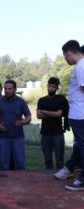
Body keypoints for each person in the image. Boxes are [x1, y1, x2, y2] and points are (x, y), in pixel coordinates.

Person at [58, 40, 84, 191]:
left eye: (64, 56)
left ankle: (82, 180)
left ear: (69, 53)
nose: (65, 60)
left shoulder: (81, 66)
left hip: (80, 114)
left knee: (82, 146)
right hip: (78, 113)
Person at [0, 80, 31, 170]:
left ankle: (21, 182)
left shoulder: (21, 101)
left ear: (15, 89)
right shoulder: (0, 102)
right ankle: (4, 184)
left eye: (10, 89)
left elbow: (28, 117)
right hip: (3, 138)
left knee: (20, 163)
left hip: (18, 138)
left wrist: (23, 122)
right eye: (6, 89)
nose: (7, 91)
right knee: (4, 165)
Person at [37, 77, 69, 170]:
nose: (51, 88)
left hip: (57, 133)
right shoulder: (41, 100)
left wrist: (44, 111)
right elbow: (39, 116)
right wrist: (53, 114)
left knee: (59, 159)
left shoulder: (61, 99)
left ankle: (59, 177)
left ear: (57, 88)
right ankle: (48, 179)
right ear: (47, 86)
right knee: (47, 159)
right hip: (45, 133)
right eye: (49, 86)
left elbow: (59, 114)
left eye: (53, 87)